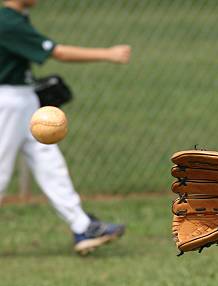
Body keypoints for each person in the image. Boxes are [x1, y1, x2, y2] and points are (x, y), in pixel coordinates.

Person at [0, 0, 130, 254]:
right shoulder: (7, 22)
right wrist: (108, 54)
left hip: (23, 99)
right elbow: (57, 52)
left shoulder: (17, 19)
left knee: (50, 163)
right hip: (7, 103)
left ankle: (82, 227)